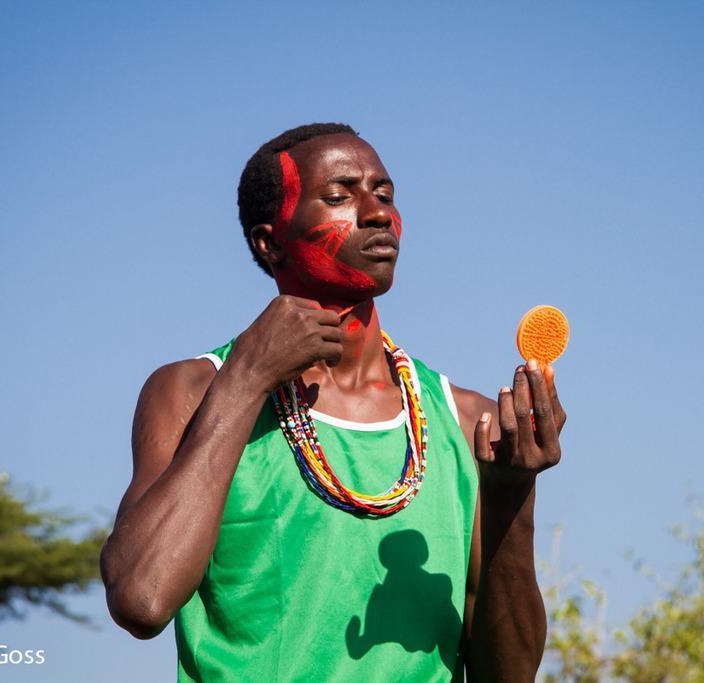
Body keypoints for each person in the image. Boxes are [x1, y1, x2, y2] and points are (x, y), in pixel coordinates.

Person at [100, 123, 567, 681]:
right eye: (339, 196)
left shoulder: (462, 418)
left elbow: (506, 676)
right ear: (269, 242)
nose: (376, 213)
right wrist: (248, 379)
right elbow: (140, 599)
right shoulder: (196, 391)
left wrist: (512, 497)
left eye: (385, 194)